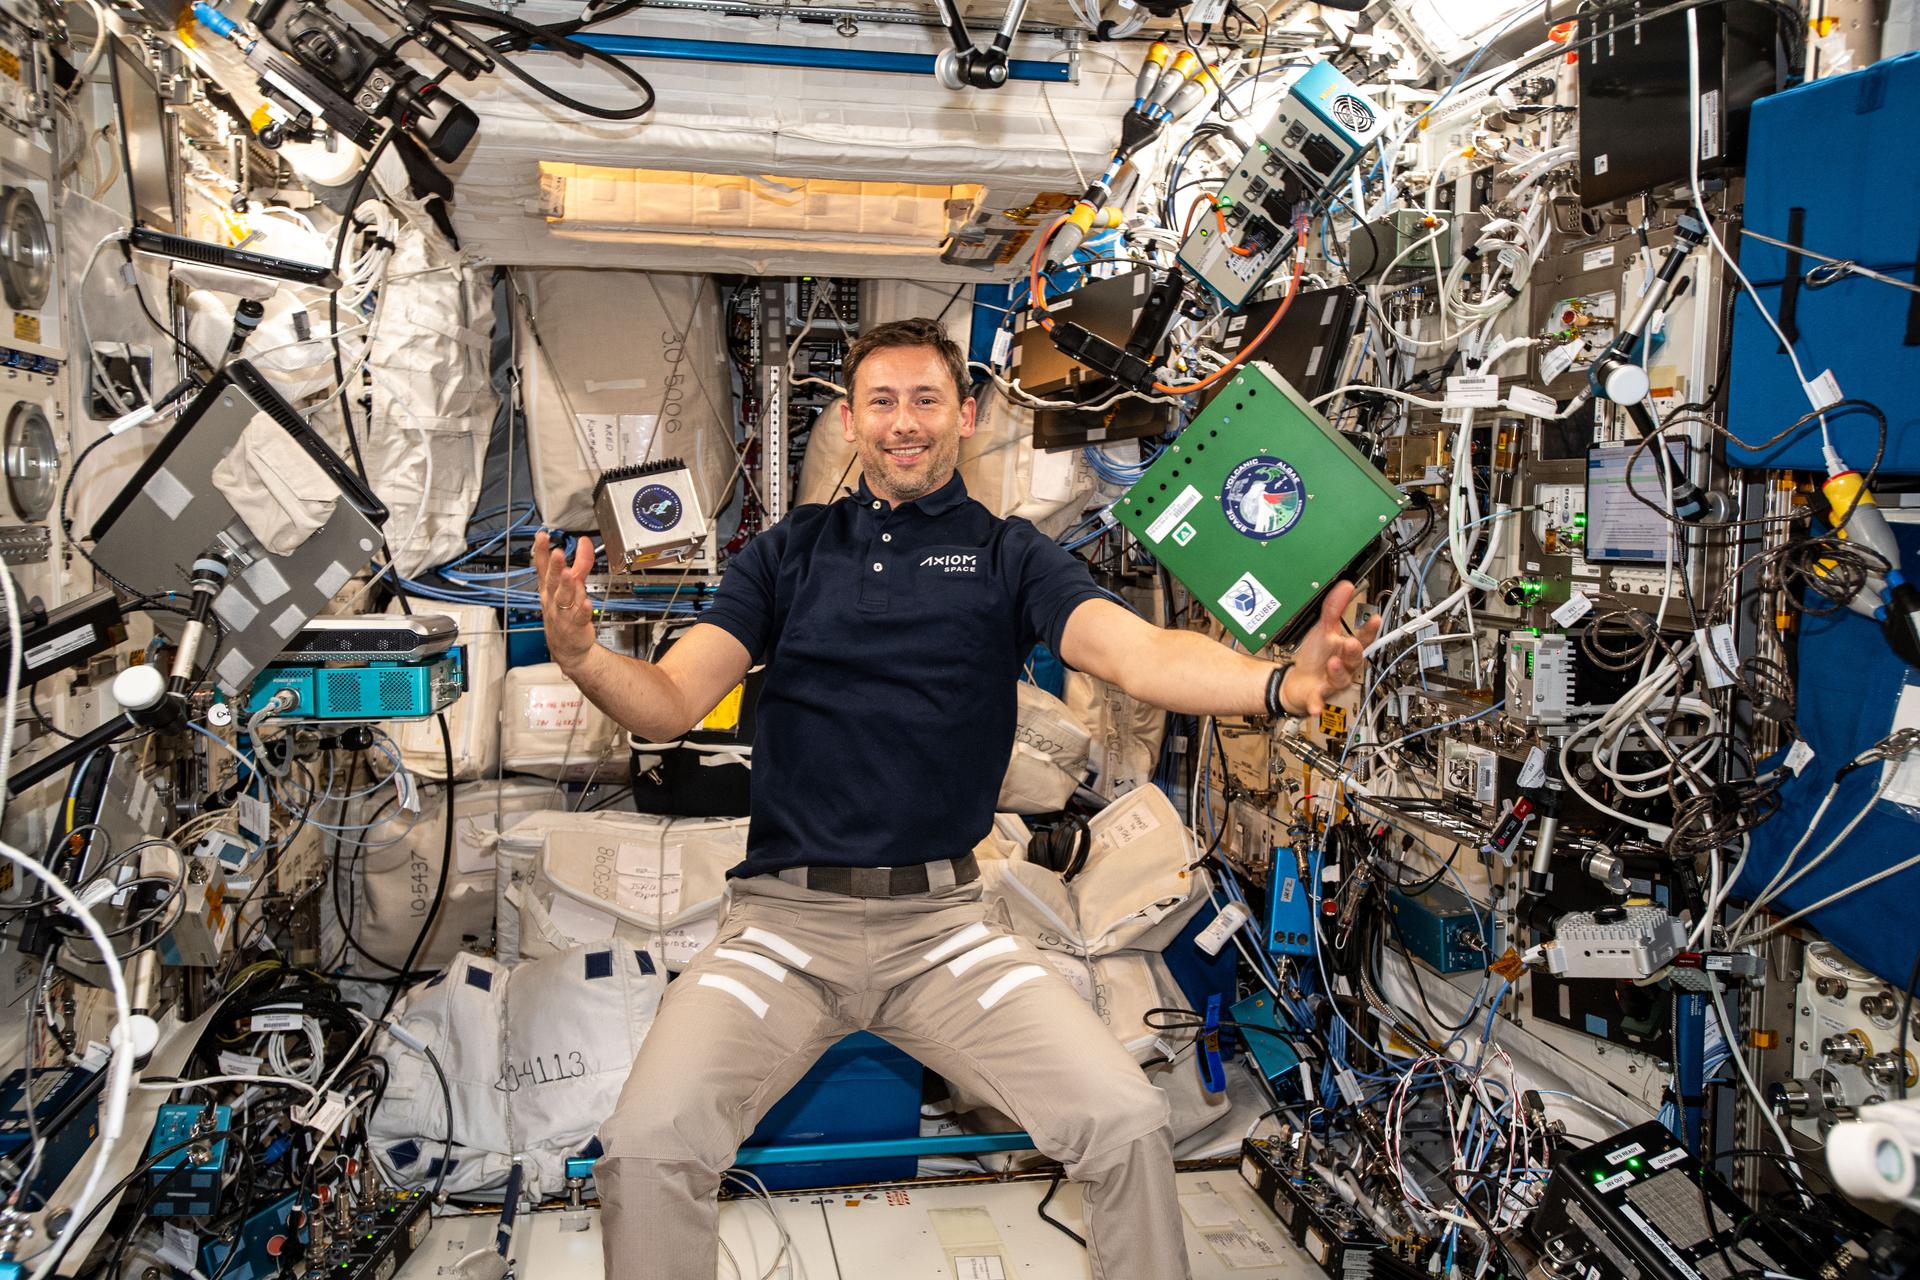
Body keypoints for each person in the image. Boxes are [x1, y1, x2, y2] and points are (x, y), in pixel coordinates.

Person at [532, 317, 1381, 1280]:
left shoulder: (1010, 555)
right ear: (850, 423)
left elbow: (1134, 653)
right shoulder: (787, 555)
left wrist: (1279, 684)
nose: (906, 423)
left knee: (1127, 1122)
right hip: (781, 929)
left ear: (965, 417)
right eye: (883, 403)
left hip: (946, 930)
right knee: (646, 1147)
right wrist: (586, 658)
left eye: (927, 400)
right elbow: (674, 701)